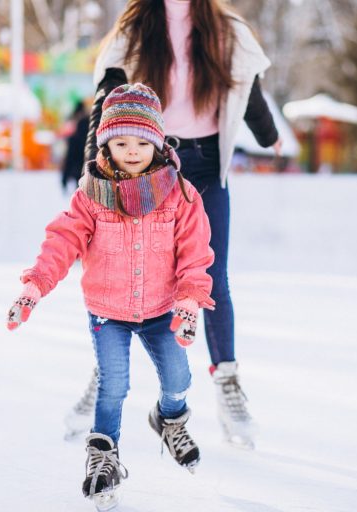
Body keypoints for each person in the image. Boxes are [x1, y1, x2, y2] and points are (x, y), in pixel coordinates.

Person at [64, 0, 282, 448]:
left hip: (203, 163)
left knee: (211, 275)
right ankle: (103, 374)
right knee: (124, 273)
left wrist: (268, 134)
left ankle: (227, 381)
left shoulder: (226, 28)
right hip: (144, 164)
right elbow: (106, 99)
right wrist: (93, 166)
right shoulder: (134, 27)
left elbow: (248, 86)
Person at [7, 83, 215, 507]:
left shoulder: (180, 195)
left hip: (163, 309)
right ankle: (104, 456)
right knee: (113, 386)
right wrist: (35, 285)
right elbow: (62, 242)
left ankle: (170, 419)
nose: (132, 150)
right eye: (121, 142)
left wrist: (191, 298)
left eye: (142, 142)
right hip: (108, 311)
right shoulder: (91, 196)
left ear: (157, 143)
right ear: (105, 143)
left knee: (179, 378)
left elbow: (195, 252)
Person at [60, 100, 90, 193]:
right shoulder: (90, 141)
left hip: (76, 169)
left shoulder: (74, 139)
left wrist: (64, 179)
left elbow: (69, 159)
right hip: (85, 170)